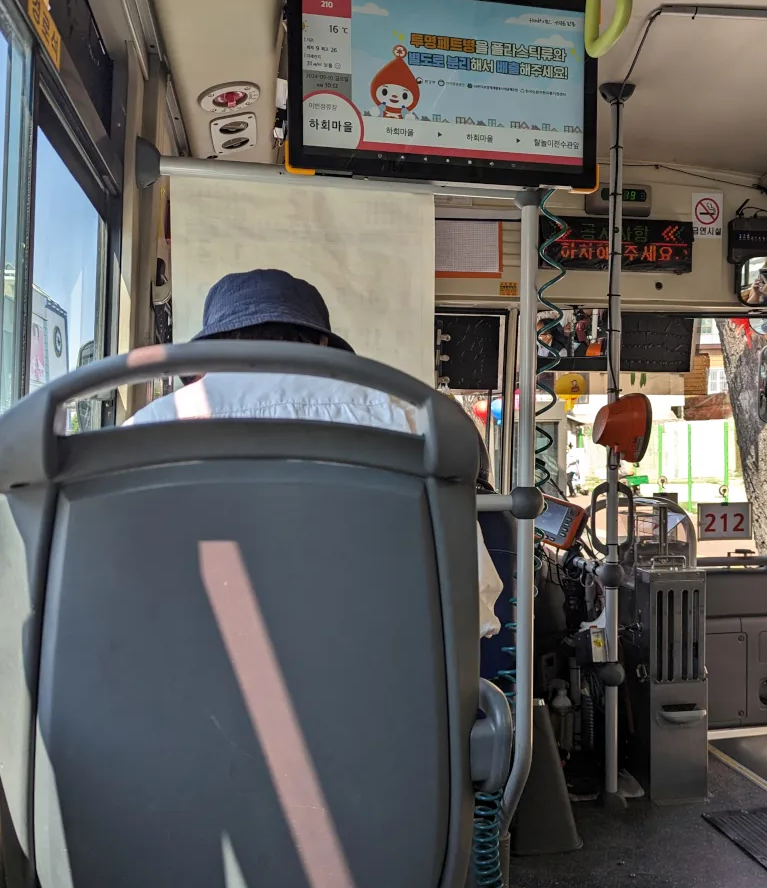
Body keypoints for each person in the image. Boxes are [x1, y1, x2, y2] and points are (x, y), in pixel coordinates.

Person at [126, 268, 503, 638]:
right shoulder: (411, 422)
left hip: (181, 678)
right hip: (379, 685)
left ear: (210, 350)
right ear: (323, 346)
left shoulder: (146, 431)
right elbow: (470, 605)